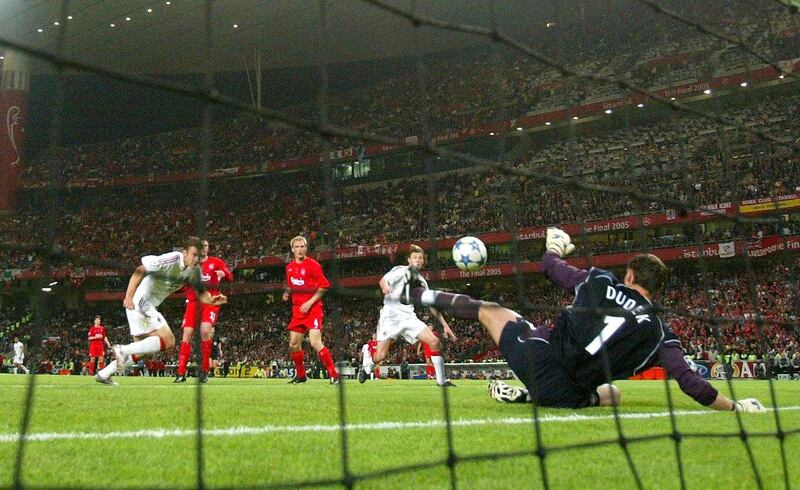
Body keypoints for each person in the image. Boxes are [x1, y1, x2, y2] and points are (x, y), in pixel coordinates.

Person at [402, 228, 766, 412]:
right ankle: (533, 396)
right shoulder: (660, 333)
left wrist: (555, 246)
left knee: (491, 310)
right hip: (567, 394)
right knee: (615, 393)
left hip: (539, 359)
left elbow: (549, 268)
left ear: (629, 276)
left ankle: (415, 295)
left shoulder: (600, 281)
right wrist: (736, 406)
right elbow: (690, 382)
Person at [95, 236, 227, 385]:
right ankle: (122, 349)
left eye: (200, 256)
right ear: (185, 253)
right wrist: (129, 297)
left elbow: (201, 293)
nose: (197, 259)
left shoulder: (195, 271)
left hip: (146, 304)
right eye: (194, 254)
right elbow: (140, 270)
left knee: (141, 351)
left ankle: (104, 373)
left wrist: (211, 300)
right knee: (169, 340)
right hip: (141, 300)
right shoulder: (172, 260)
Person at [359, 244, 456, 387]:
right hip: (391, 315)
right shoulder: (400, 270)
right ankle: (368, 360)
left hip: (409, 316)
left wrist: (445, 325)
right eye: (415, 257)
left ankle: (441, 381)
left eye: (420, 258)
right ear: (409, 260)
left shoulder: (422, 282)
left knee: (435, 342)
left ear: (423, 262)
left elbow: (431, 305)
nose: (418, 260)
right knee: (381, 356)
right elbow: (383, 280)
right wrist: (385, 287)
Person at [174, 239, 233, 384]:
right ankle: (181, 373)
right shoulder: (191, 264)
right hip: (193, 303)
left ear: (208, 248)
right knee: (186, 334)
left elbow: (230, 276)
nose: (203, 248)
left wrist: (224, 273)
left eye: (206, 246)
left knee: (205, 331)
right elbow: (181, 286)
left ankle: (204, 371)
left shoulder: (216, 262)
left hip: (210, 302)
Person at [283, 235, 338, 384]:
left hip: (313, 309)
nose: (300, 249)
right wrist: (287, 293)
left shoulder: (313, 265)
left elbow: (324, 286)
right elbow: (291, 285)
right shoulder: (290, 268)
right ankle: (301, 375)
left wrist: (310, 302)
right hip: (297, 310)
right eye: (297, 247)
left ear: (306, 248)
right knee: (293, 344)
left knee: (315, 342)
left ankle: (334, 374)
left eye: (303, 247)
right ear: (292, 249)